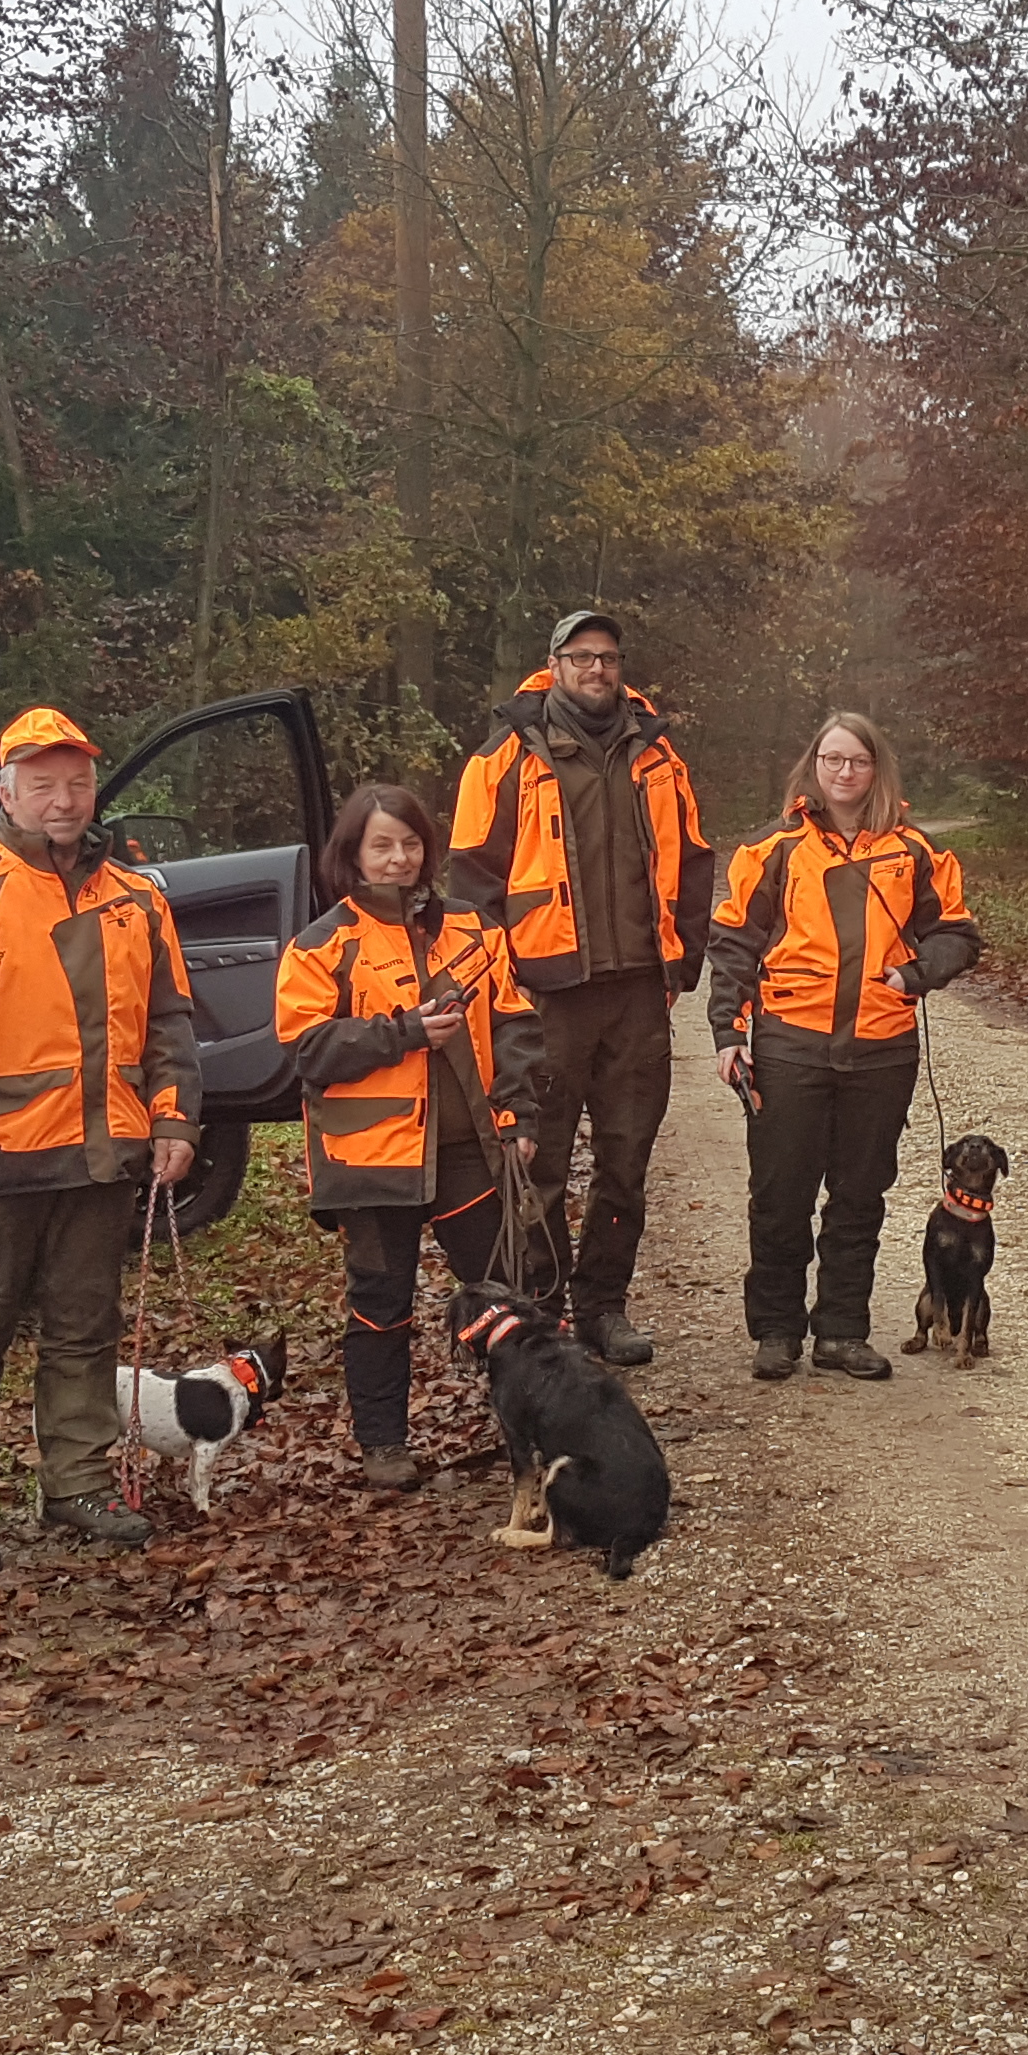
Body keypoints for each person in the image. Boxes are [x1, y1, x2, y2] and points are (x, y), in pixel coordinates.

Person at [0, 705, 200, 1569]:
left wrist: (174, 1116)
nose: (65, 801)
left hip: (104, 1155)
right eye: (44, 785)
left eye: (78, 783)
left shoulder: (136, 896)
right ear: (7, 793)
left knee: (85, 1326)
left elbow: (169, 1020)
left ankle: (77, 1482)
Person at [444, 610, 712, 1368]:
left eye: (609, 657)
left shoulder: (659, 756)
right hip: (544, 995)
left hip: (635, 993)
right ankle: (544, 1308)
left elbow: (694, 861)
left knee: (627, 1162)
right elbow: (471, 886)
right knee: (540, 1165)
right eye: (582, 657)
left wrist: (681, 964)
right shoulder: (503, 758)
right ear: (554, 664)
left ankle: (605, 1306)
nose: (598, 670)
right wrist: (501, 991)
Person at [274, 782, 544, 1488]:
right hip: (368, 1161)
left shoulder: (475, 929)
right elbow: (304, 1048)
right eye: (382, 845)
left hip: (466, 1151)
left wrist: (518, 1117)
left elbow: (515, 1023)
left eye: (411, 843)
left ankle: (538, 1427)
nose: (399, 859)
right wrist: (402, 1033)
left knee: (503, 1294)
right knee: (379, 1303)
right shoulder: (321, 943)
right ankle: (384, 1445)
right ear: (354, 855)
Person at [705, 712, 980, 1383]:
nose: (845, 772)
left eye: (857, 760)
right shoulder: (773, 848)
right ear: (813, 766)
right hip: (788, 1045)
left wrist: (915, 975)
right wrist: (728, 1034)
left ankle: (841, 1331)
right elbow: (735, 943)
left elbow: (957, 933)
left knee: (859, 1196)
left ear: (877, 768)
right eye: (832, 760)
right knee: (781, 1196)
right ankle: (775, 1330)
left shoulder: (914, 851)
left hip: (882, 1048)